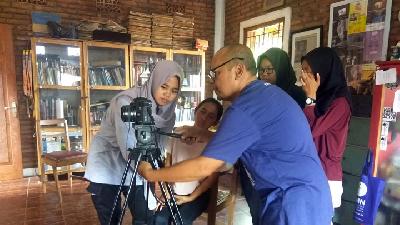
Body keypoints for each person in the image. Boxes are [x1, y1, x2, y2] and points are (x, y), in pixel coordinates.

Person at [139, 44, 333, 225]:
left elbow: (205, 167)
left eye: (215, 73)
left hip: (293, 202)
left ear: (238, 70)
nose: (213, 81)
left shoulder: (246, 107)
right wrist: (201, 133)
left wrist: (151, 174)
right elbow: (249, 140)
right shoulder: (264, 94)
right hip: (303, 196)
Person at [84, 60, 183, 225]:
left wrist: (158, 170)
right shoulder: (126, 102)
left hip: (139, 164)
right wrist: (151, 174)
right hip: (108, 163)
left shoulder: (168, 113)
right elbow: (128, 145)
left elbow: (159, 145)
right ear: (154, 81)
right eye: (164, 87)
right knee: (110, 218)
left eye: (174, 91)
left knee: (145, 217)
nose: (168, 95)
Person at [239, 47, 308, 225]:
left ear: (281, 68)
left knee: (277, 213)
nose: (265, 74)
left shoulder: (296, 95)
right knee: (257, 211)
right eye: (262, 70)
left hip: (281, 165)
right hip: (256, 163)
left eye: (270, 69)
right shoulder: (257, 94)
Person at [154, 98, 224, 225]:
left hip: (198, 194)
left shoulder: (215, 142)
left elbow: (212, 177)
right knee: (159, 219)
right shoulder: (178, 132)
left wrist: (191, 197)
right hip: (174, 189)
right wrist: (166, 187)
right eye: (203, 111)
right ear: (195, 110)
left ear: (215, 122)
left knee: (180, 221)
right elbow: (168, 162)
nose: (204, 118)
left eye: (211, 116)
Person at [300, 47, 352, 216]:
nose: (303, 77)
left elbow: (310, 130)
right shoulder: (321, 98)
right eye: (303, 71)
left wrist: (310, 97)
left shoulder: (340, 103)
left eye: (308, 71)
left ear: (322, 71)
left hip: (326, 175)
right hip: (312, 170)